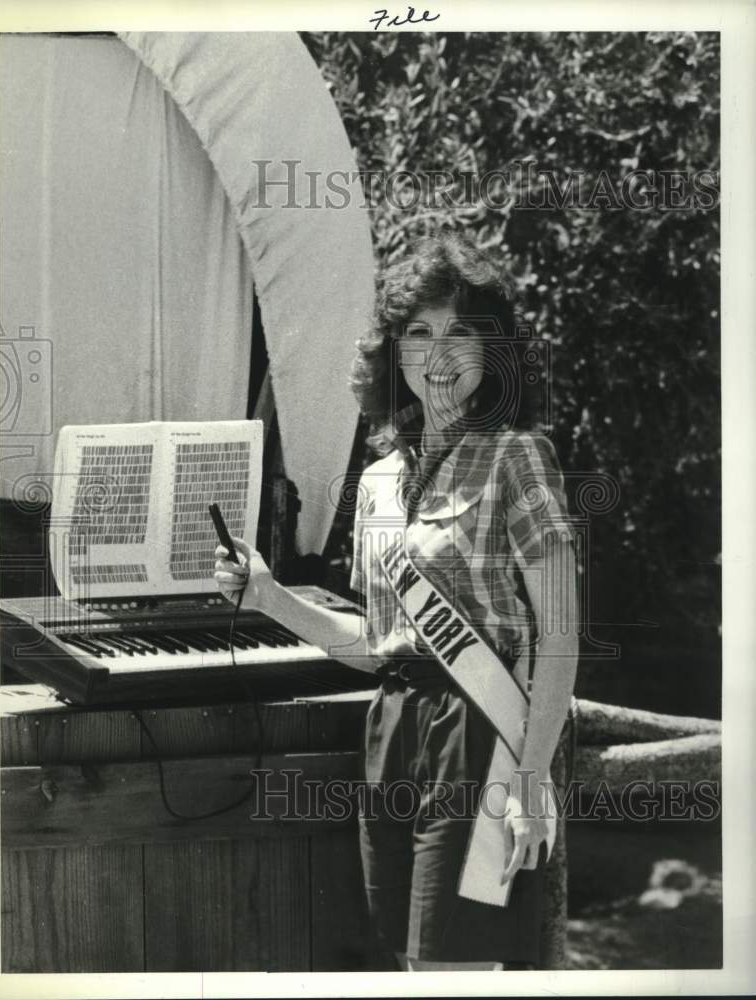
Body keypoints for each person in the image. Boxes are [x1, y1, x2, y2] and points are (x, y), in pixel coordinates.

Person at [214, 232, 578, 972]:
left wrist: (531, 780)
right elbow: (373, 645)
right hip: (392, 730)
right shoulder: (378, 480)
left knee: (457, 969)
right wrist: (265, 594)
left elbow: (561, 635)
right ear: (393, 352)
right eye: (418, 332)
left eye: (460, 332)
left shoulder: (516, 456)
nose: (438, 356)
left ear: (493, 351)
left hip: (481, 735)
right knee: (410, 966)